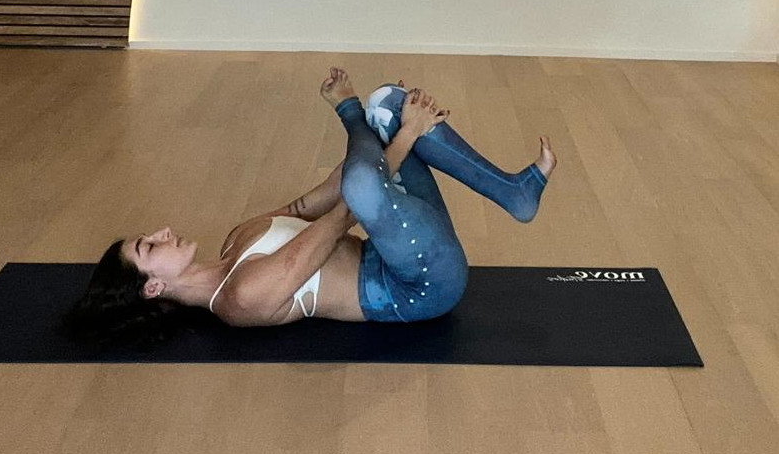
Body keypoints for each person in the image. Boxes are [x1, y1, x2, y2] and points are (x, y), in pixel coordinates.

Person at [61, 67, 556, 348]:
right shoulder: (241, 299)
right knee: (368, 173)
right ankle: (351, 112)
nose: (163, 231)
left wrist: (388, 128)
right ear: (152, 287)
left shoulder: (237, 238)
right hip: (419, 285)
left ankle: (513, 191)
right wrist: (406, 135)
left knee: (387, 103)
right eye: (150, 246)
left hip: (397, 236)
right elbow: (346, 213)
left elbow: (319, 198)